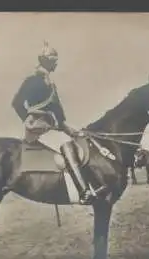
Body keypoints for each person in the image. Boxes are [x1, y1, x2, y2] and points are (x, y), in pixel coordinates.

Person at [11, 41, 95, 205]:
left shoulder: (50, 83)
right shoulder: (32, 81)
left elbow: (58, 113)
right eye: (54, 61)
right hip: (37, 128)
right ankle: (84, 192)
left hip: (50, 127)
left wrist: (71, 130)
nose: (56, 64)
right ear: (46, 61)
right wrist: (27, 119)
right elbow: (16, 103)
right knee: (65, 143)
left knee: (74, 140)